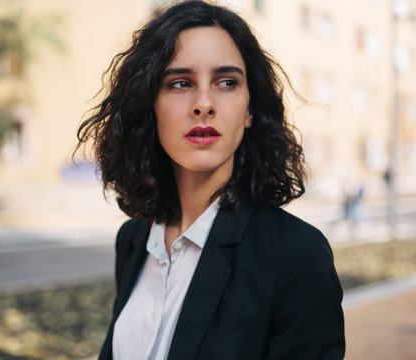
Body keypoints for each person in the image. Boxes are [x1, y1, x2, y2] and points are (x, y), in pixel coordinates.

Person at [77, 1, 345, 359]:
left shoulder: (296, 254)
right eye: (181, 83)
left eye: (227, 82)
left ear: (250, 109)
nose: (204, 104)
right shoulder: (133, 240)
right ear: (149, 104)